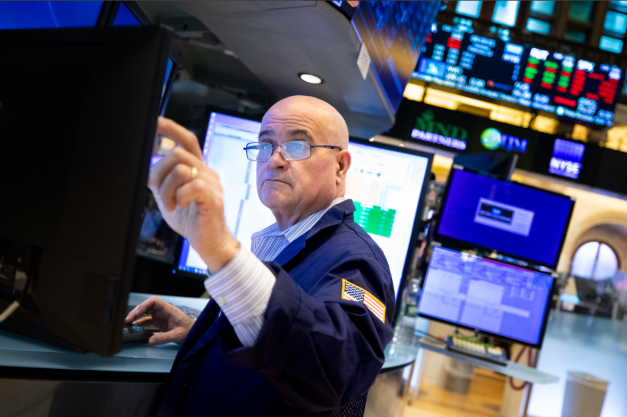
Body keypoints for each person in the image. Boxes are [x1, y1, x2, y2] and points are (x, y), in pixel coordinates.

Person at [126, 96, 395, 416]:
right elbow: (277, 346)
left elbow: (337, 367)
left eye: (297, 146)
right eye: (266, 145)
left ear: (340, 166)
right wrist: (203, 333)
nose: (274, 160)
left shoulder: (359, 262)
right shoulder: (282, 241)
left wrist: (221, 248)